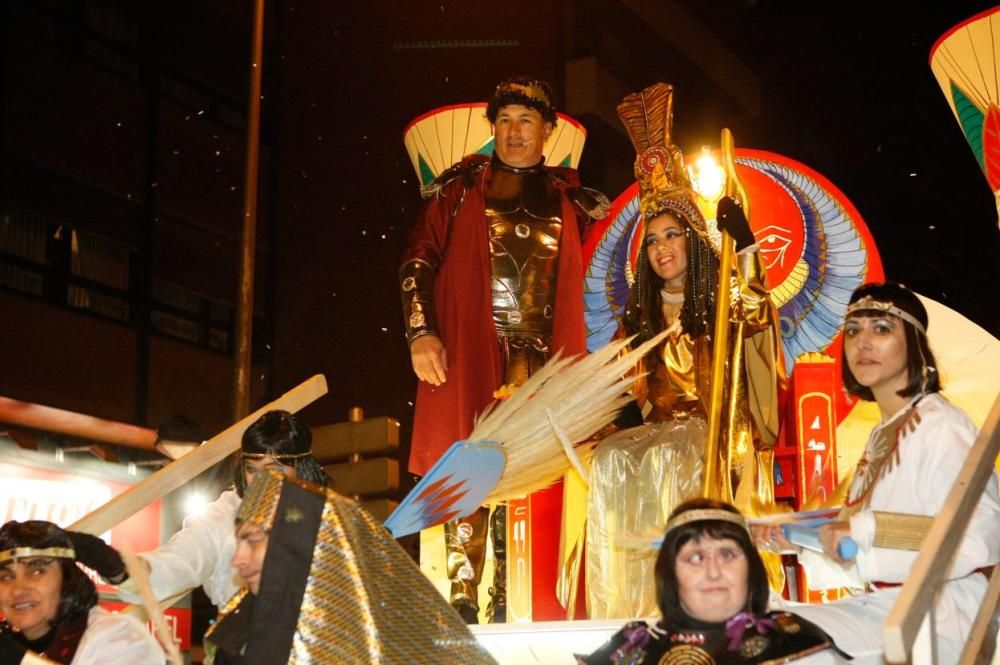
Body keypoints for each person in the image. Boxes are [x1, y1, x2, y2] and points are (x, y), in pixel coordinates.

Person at [400, 76, 608, 622]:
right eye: (506, 121)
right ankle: (465, 591)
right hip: (472, 345)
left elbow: (607, 278)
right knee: (468, 453)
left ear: (548, 131)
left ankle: (514, 588)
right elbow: (416, 262)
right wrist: (421, 331)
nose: (515, 132)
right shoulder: (459, 189)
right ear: (494, 129)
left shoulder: (576, 201)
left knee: (531, 464)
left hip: (545, 352)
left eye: (527, 121)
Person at [587, 81, 782, 619]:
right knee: (608, 459)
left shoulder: (722, 300)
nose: (661, 248)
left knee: (674, 451)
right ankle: (629, 610)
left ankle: (690, 604)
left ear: (692, 241)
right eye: (651, 240)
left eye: (671, 235)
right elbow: (624, 396)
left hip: (721, 432)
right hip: (661, 432)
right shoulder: (638, 318)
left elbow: (758, 313)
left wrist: (742, 243)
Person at [755, 281, 1000, 663]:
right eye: (853, 330)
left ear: (916, 346)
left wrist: (862, 529)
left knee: (782, 648)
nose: (862, 342)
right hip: (882, 605)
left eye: (882, 329)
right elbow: (864, 557)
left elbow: (980, 534)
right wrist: (798, 540)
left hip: (937, 616)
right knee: (747, 631)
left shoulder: (941, 426)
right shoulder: (882, 434)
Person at [204, 469, 497, 665]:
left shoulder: (373, 632)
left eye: (252, 540)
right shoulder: (237, 635)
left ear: (293, 541)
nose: (237, 559)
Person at [580, 500, 837, 664]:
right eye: (695, 557)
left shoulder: (796, 645)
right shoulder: (627, 651)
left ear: (751, 568)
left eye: (727, 554)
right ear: (670, 574)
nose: (713, 571)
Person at [117, 409, 328, 609]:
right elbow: (181, 559)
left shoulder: (327, 519)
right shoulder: (225, 516)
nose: (261, 481)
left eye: (274, 470)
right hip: (244, 642)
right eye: (252, 470)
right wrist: (125, 571)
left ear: (301, 470)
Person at [0, 520, 164, 665]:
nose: (18, 590)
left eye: (36, 572)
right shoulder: (13, 643)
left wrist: (19, 660)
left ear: (67, 577)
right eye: (6, 577)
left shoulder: (121, 638)